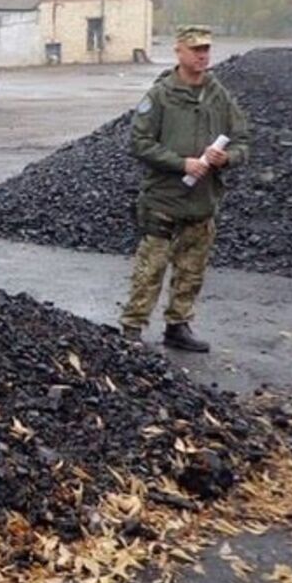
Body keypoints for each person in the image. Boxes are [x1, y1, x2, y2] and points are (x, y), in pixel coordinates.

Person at [119, 25, 249, 352]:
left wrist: (226, 158)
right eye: (195, 50)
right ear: (179, 51)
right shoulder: (161, 95)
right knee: (151, 268)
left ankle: (178, 326)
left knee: (192, 270)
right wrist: (181, 163)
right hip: (164, 199)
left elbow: (243, 140)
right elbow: (139, 142)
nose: (202, 55)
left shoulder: (219, 96)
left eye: (206, 49)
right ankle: (132, 329)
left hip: (202, 200)